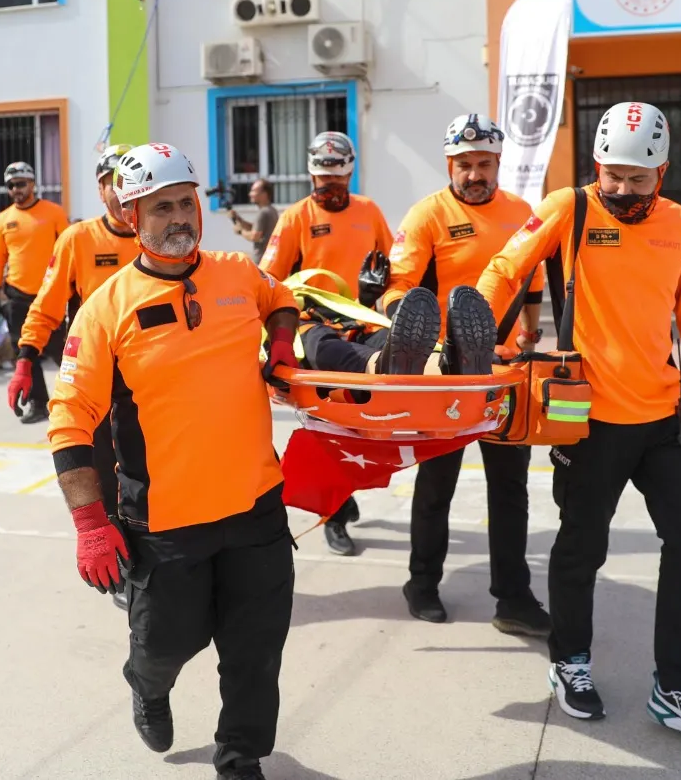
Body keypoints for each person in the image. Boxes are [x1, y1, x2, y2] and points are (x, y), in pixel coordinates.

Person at [478, 101, 681, 751]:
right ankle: (570, 661)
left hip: (664, 415)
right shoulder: (569, 208)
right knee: (580, 546)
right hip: (588, 416)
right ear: (597, 166)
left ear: (663, 173)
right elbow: (506, 267)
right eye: (613, 176)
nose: (623, 190)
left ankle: (678, 687)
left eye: (638, 178)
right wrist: (471, 329)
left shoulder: (679, 224)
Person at [47, 143, 299, 780]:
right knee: (165, 645)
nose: (179, 217)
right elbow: (69, 418)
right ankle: (147, 685)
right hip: (166, 524)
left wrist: (285, 345)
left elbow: (281, 296)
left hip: (256, 509)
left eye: (186, 203)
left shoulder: (237, 273)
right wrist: (89, 524)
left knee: (255, 651)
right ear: (133, 216)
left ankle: (240, 759)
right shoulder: (106, 307)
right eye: (162, 208)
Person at [366, 114, 549, 635]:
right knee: (437, 483)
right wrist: (416, 337)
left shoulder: (522, 213)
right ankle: (421, 583)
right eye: (465, 165)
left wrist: (533, 333)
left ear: (498, 165)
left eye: (484, 164)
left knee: (510, 489)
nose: (475, 174)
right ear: (451, 164)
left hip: (504, 371)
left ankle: (513, 597)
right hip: (444, 373)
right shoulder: (427, 214)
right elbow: (399, 288)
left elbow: (530, 281)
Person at [259, 130, 393, 556]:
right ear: (311, 177)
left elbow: (392, 267)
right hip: (313, 326)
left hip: (362, 320)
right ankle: (335, 513)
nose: (329, 191)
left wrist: (381, 293)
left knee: (376, 394)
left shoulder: (369, 212)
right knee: (330, 423)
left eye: (337, 183)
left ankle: (344, 496)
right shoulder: (295, 217)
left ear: (350, 174)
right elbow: (268, 282)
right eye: (322, 184)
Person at [9, 145, 137, 432]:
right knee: (98, 467)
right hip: (95, 372)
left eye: (129, 182)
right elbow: (47, 306)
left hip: (149, 374)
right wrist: (25, 360)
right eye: (113, 183)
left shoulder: (157, 238)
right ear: (100, 191)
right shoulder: (78, 239)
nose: (123, 191)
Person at [0, 160, 68, 421]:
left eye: (21, 184)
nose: (16, 190)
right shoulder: (4, 219)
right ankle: (38, 402)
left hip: (50, 295)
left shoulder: (54, 212)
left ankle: (83, 397)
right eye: (11, 186)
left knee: (63, 351)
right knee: (25, 353)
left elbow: (69, 251)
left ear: (33, 184)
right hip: (17, 295)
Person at [229, 178, 278, 265]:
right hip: (269, 260)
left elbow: (255, 236)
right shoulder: (271, 210)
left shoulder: (263, 213)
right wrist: (238, 219)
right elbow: (255, 228)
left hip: (262, 262)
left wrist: (240, 231)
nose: (250, 194)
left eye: (254, 191)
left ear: (264, 194)